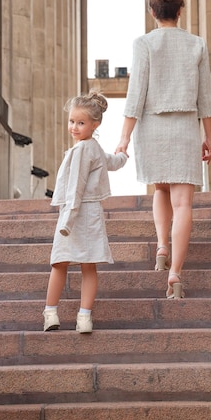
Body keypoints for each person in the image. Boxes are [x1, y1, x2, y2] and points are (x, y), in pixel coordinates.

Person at [115, 0, 211, 299]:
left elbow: (136, 94)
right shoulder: (197, 44)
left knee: (159, 186)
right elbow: (206, 97)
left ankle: (162, 246)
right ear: (181, 10)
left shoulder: (143, 44)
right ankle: (175, 274)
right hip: (186, 125)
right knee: (183, 202)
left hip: (152, 127)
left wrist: (123, 139)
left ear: (152, 12)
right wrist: (209, 136)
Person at [43, 90, 127, 333]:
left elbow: (76, 187)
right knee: (88, 266)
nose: (74, 127)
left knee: (59, 263)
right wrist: (123, 155)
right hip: (91, 214)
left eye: (81, 123)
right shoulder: (94, 147)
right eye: (72, 121)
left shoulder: (81, 150)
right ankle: (84, 317)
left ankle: (50, 312)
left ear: (95, 124)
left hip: (75, 212)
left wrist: (67, 220)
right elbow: (112, 162)